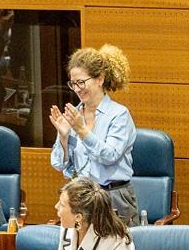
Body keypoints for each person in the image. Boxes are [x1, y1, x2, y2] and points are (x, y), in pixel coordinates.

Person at [49, 45, 140, 225]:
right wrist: (63, 138)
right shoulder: (73, 114)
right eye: (73, 84)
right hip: (81, 199)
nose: (77, 88)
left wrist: (82, 131)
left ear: (100, 79)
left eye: (82, 82)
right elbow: (59, 164)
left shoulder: (119, 115)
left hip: (114, 198)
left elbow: (110, 156)